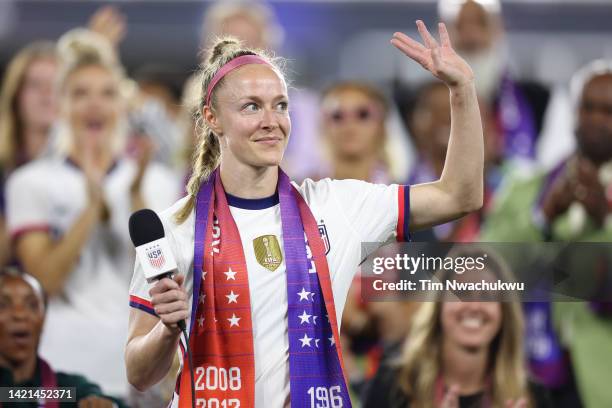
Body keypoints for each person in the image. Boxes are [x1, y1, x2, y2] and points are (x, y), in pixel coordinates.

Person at [126, 19, 483, 407]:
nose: (271, 122)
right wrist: (165, 330)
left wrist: (462, 89)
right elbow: (139, 374)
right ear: (212, 118)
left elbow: (458, 195)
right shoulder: (173, 227)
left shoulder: (338, 205)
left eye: (280, 106)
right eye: (251, 107)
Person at [5, 28, 180, 398]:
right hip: (62, 370)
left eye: (107, 93)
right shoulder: (30, 182)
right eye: (80, 93)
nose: (94, 105)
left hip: (134, 368)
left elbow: (164, 282)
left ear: (121, 105)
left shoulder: (157, 182)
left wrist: (134, 196)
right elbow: (44, 283)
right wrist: (90, 206)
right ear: (61, 105)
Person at [481, 59, 612, 408]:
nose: (598, 119)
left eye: (609, 110)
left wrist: (604, 223)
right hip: (527, 376)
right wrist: (542, 216)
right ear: (574, 112)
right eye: (589, 107)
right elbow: (480, 273)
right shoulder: (529, 188)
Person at [362, 248, 551, 408]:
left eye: (487, 296)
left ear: (504, 312)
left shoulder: (532, 397)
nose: (475, 306)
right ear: (438, 306)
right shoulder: (392, 384)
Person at [438, 0, 558, 168]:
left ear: (498, 30)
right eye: (460, 26)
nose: (471, 36)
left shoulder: (538, 100)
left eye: (480, 23)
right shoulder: (419, 105)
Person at [0, 268, 128, 407]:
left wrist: (106, 405)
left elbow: (107, 402)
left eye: (32, 305)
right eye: (3, 305)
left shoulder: (65, 391)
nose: (20, 314)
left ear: (44, 318)